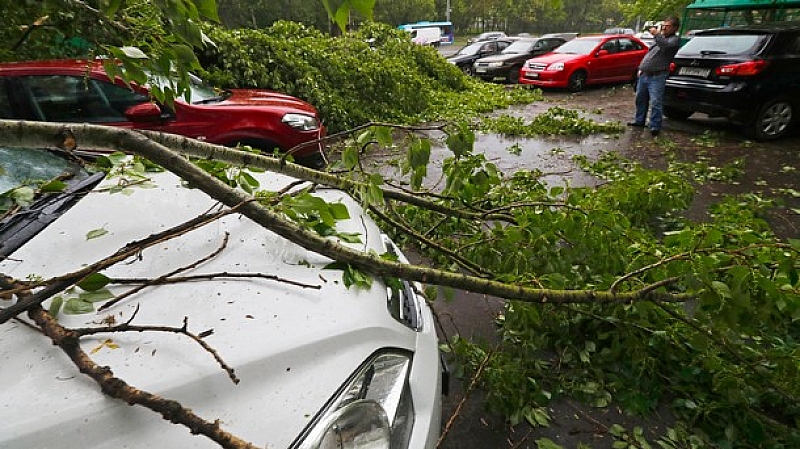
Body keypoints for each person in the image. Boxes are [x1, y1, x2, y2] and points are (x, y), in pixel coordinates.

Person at [628, 16, 681, 136]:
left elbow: (665, 46)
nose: (664, 28)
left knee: (656, 101)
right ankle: (639, 120)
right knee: (640, 99)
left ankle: (655, 126)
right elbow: (650, 54)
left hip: (657, 76)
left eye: (667, 27)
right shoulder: (659, 40)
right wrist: (641, 68)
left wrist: (657, 34)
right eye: (663, 25)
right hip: (644, 74)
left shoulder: (674, 40)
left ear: (675, 28)